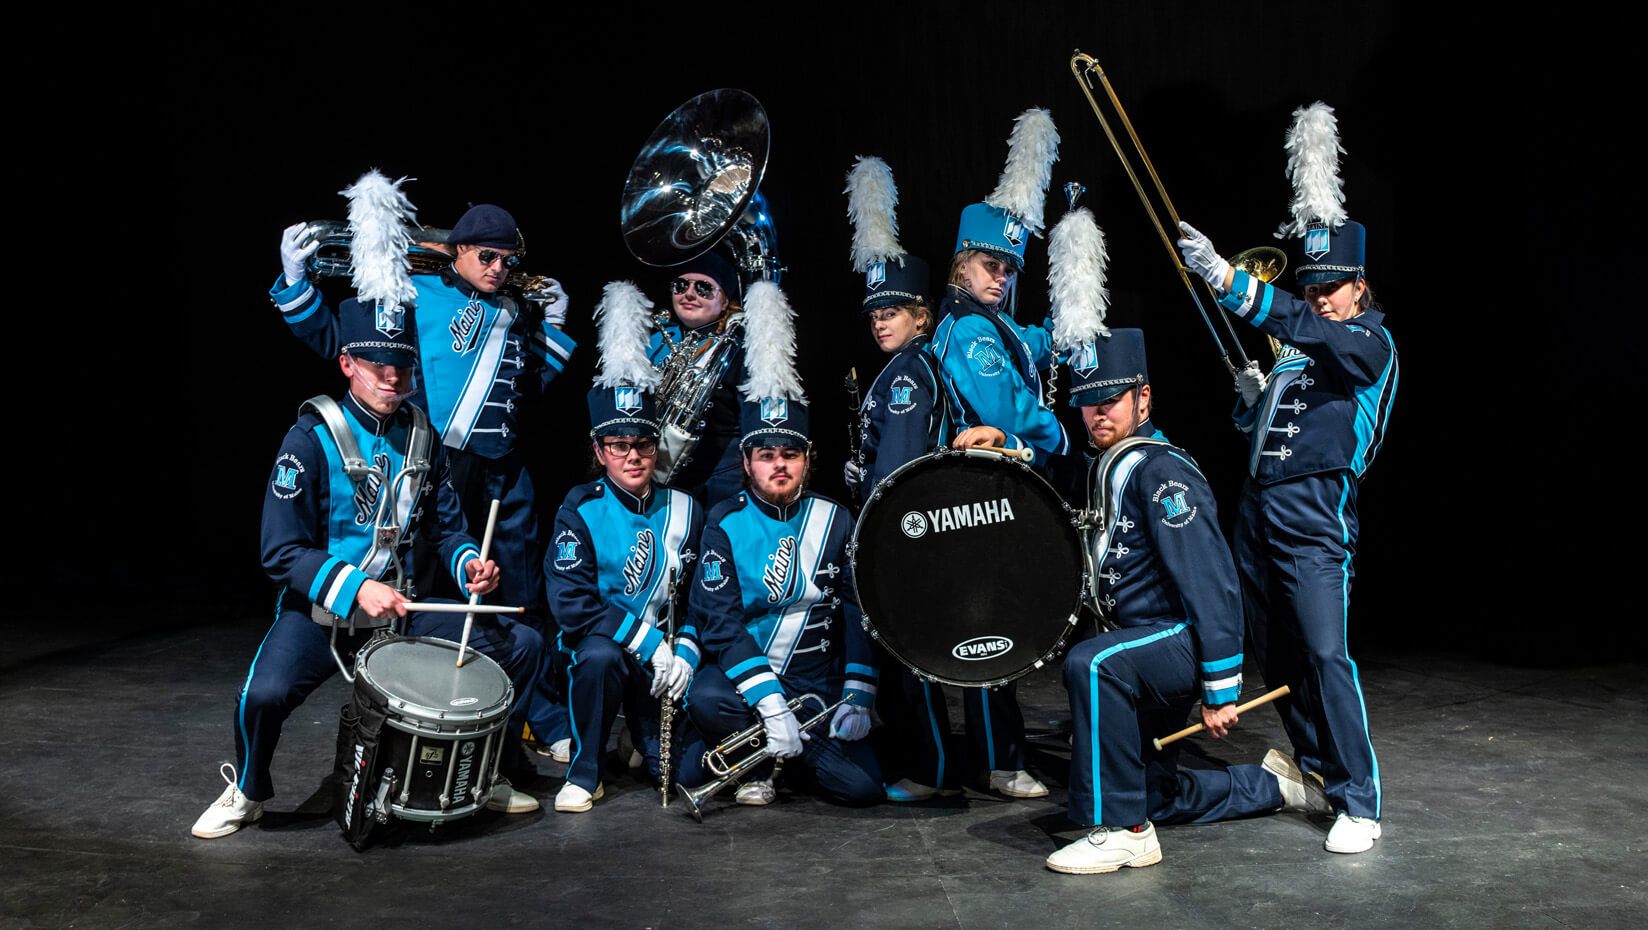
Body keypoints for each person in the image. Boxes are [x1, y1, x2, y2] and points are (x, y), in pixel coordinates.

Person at [193, 302, 544, 839]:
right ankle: (247, 789)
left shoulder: (424, 437)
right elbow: (280, 552)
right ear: (347, 364)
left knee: (521, 644)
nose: (391, 375)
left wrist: (471, 562)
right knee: (262, 696)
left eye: (401, 363)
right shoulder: (308, 441)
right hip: (321, 614)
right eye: (377, 362)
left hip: (399, 613)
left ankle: (487, 772)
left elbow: (446, 529)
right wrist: (356, 588)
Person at [271, 204, 578, 758]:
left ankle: (539, 715)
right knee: (438, 600)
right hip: (442, 461)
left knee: (520, 598)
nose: (499, 268)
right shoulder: (414, 292)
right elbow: (342, 340)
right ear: (454, 250)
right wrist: (295, 283)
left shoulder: (513, 307)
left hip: (502, 468)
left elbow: (520, 388)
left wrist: (552, 326)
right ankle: (449, 727)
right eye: (487, 256)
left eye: (509, 260)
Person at [1046, 329, 1328, 874]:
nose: (1096, 414)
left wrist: (1221, 687)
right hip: (1139, 643)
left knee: (1094, 663)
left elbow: (1213, 582)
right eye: (1086, 403)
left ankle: (1127, 833)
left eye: (1109, 401)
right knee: (1152, 790)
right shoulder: (1107, 462)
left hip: (1177, 639)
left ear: (1142, 398)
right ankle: (1273, 784)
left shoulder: (1163, 471)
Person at [1176, 213, 1397, 855]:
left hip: (1314, 511)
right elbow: (1275, 428)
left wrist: (1229, 279)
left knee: (1327, 651)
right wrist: (1254, 398)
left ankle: (1361, 798)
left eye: (1332, 286)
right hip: (1258, 505)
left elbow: (1309, 336)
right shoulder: (1305, 350)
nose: (1320, 298)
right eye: (1312, 288)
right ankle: (1317, 768)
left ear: (1359, 286)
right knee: (1278, 654)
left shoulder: (1370, 343)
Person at [676, 387, 882, 808]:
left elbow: (858, 607)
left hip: (814, 679)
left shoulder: (836, 518)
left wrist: (860, 691)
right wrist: (770, 703)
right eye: (766, 456)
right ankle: (760, 763)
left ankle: (774, 757)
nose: (779, 465)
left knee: (861, 788)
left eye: (790, 454)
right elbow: (720, 620)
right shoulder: (724, 520)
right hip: (746, 676)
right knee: (706, 700)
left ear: (807, 460)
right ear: (747, 464)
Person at [926, 201, 1069, 799]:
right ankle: (998, 760)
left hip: (993, 489)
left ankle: (999, 754)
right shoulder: (970, 329)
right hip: (984, 491)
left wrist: (1066, 323)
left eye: (1008, 269)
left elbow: (1029, 342)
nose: (1000, 277)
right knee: (993, 625)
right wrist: (1060, 434)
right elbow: (1006, 412)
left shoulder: (986, 322)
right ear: (962, 266)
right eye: (989, 265)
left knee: (999, 622)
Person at [545, 383, 704, 812]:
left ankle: (636, 733)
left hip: (665, 662)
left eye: (644, 445)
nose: (633, 457)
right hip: (604, 649)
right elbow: (572, 606)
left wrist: (685, 649)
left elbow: (696, 598)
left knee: (681, 776)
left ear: (657, 449)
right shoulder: (580, 506)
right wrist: (648, 642)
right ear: (599, 452)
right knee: (598, 657)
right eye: (619, 445)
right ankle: (585, 772)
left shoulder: (687, 509)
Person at [646, 252, 747, 507]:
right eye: (681, 286)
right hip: (652, 476)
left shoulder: (739, 345)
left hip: (718, 485)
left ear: (724, 301)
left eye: (703, 288)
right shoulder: (654, 340)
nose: (689, 294)